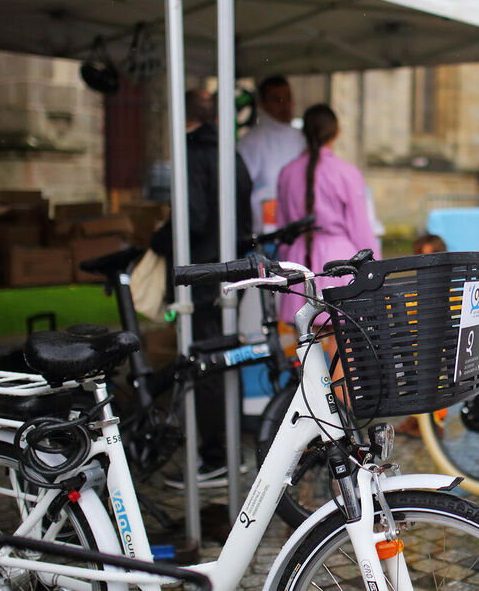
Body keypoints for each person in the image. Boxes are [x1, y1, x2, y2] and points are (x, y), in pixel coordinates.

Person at [151, 89, 253, 488]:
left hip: (206, 272)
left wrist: (157, 240)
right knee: (225, 357)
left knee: (207, 363)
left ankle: (216, 457)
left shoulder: (196, 153)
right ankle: (225, 450)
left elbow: (192, 220)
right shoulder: (232, 152)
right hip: (233, 266)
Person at [276, 103, 380, 325]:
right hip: (339, 262)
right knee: (340, 344)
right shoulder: (346, 173)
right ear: (336, 132)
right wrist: (376, 268)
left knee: (304, 344)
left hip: (298, 261)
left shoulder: (286, 173)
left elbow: (283, 232)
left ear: (303, 132)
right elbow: (360, 229)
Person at [237, 75, 305, 234]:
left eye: (288, 98)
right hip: (265, 231)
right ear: (263, 104)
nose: (286, 105)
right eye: (277, 100)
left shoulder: (303, 138)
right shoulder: (249, 143)